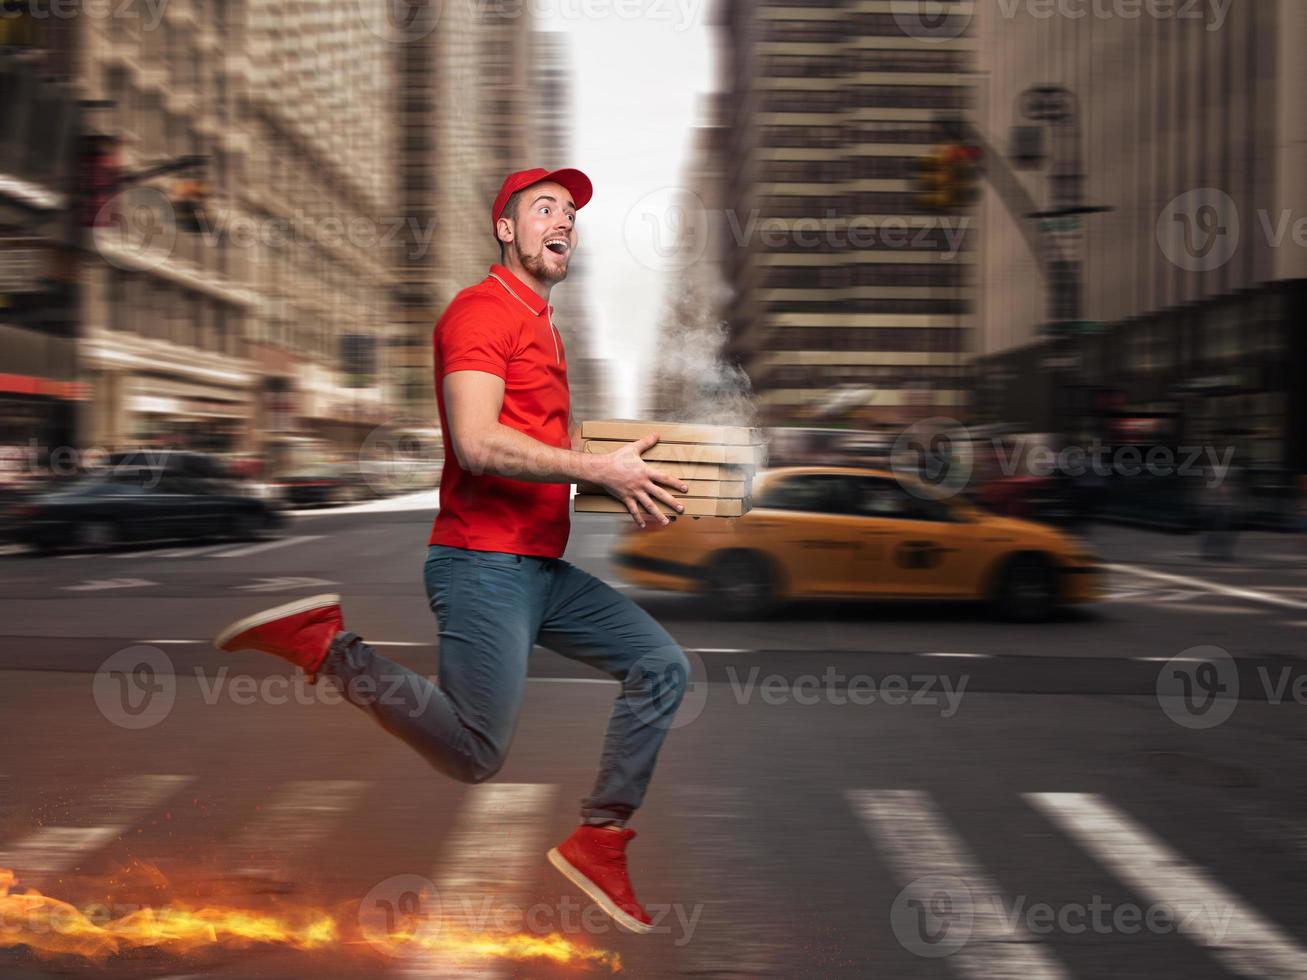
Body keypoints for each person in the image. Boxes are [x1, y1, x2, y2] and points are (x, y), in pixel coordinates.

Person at [211, 167, 692, 935]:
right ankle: (327, 648)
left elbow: (548, 446)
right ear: (506, 228)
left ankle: (600, 838)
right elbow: (474, 443)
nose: (562, 220)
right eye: (544, 208)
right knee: (474, 753)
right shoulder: (480, 312)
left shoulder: (542, 322)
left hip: (538, 567)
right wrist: (595, 466)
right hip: (482, 562)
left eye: (569, 212)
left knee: (661, 665)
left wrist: (624, 482)